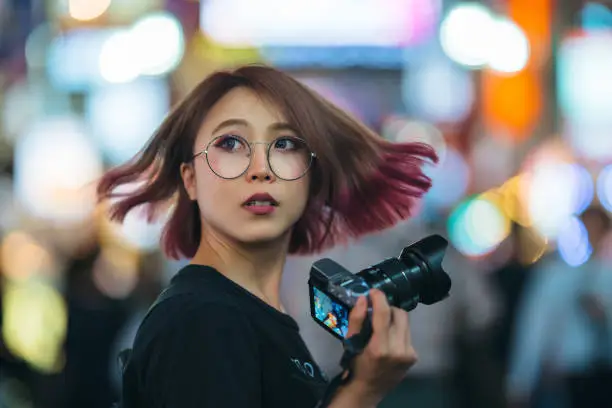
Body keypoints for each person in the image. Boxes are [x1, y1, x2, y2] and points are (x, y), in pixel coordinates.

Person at [97, 64, 438, 408]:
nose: (261, 168)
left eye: (285, 143)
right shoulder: (203, 320)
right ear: (190, 179)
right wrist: (361, 392)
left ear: (311, 177)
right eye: (230, 143)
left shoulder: (253, 315)